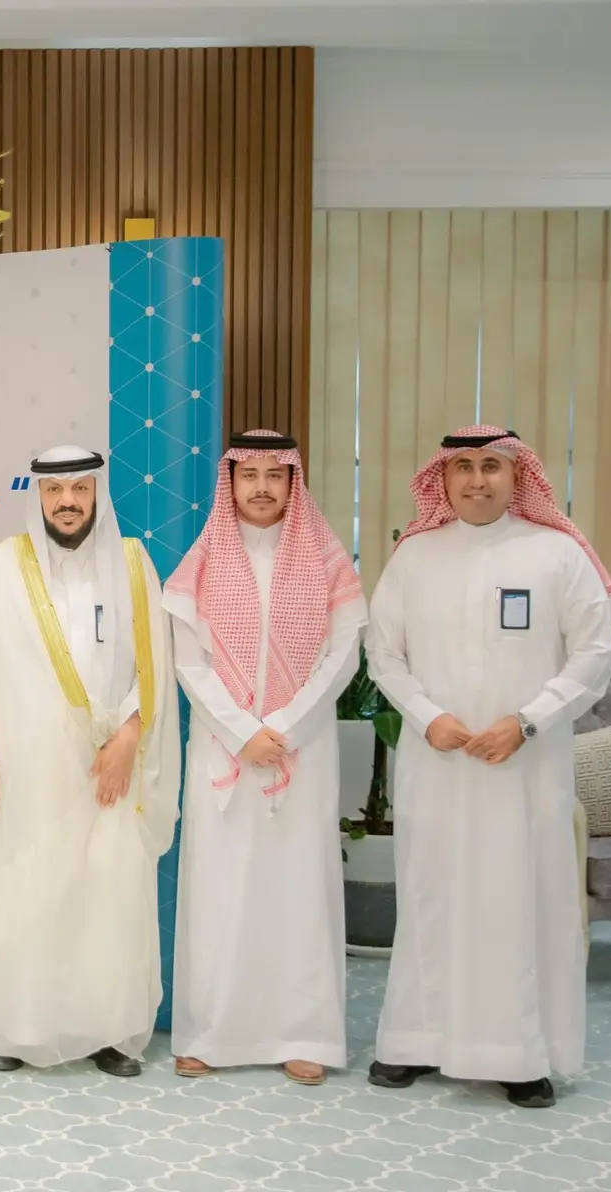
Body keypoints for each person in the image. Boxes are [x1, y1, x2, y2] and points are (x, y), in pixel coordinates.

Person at [365, 424, 611, 1108]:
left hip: (525, 767)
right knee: (432, 895)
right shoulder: (415, 558)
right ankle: (413, 1042)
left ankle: (518, 1054)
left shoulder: (557, 554)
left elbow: (593, 656)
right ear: (441, 481)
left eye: (492, 467)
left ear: (517, 477)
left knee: (517, 899)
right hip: (438, 762)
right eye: (464, 468)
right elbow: (385, 654)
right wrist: (427, 716)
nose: (477, 480)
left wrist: (527, 721)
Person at [0, 444, 179, 1076]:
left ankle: (108, 1032)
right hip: (22, 775)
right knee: (22, 894)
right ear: (39, 498)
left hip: (107, 772)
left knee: (108, 896)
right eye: (56, 492)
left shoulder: (133, 566)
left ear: (97, 494)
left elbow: (154, 663)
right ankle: (17, 1029)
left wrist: (130, 738)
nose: (68, 502)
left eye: (80, 489)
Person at [164, 431, 366, 1085]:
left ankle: (303, 1033)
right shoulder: (203, 563)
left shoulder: (327, 562)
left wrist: (282, 726)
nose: (259, 487)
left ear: (291, 483)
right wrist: (239, 730)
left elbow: (343, 656)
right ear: (230, 483)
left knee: (298, 890)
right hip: (225, 752)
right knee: (218, 893)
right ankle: (209, 1034)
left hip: (299, 751)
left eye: (273, 475)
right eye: (247, 475)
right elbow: (187, 661)